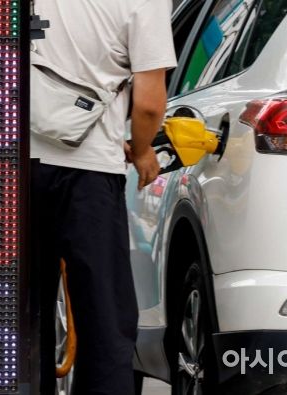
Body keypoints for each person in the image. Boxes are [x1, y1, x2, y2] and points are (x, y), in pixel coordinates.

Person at [30, 0, 177, 394]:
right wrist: (144, 150)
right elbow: (148, 102)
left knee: (14, 316)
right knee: (103, 315)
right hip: (88, 172)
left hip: (0, 166)